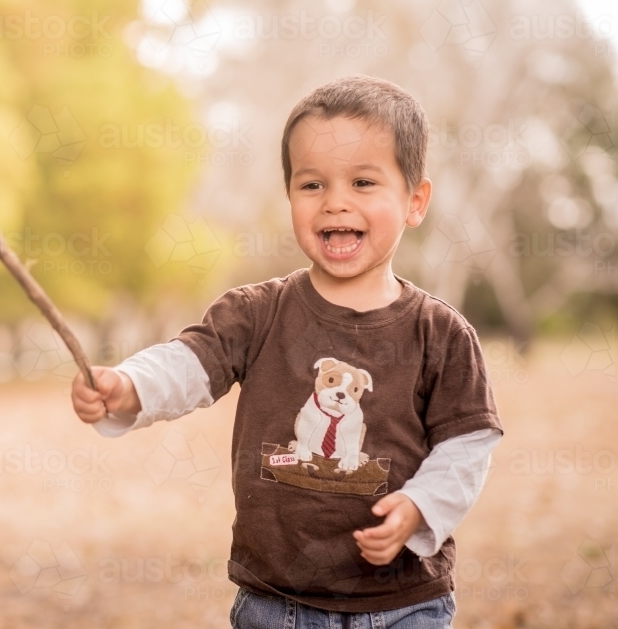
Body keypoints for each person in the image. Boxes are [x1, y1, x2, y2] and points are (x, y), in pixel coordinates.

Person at [70, 75, 505, 627]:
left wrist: (422, 506)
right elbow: (189, 362)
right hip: (277, 601)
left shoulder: (440, 334)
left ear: (415, 200)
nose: (335, 202)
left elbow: (468, 444)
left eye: (364, 182)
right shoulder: (258, 313)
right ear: (290, 196)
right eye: (312, 185)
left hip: (403, 603)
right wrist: (130, 386)